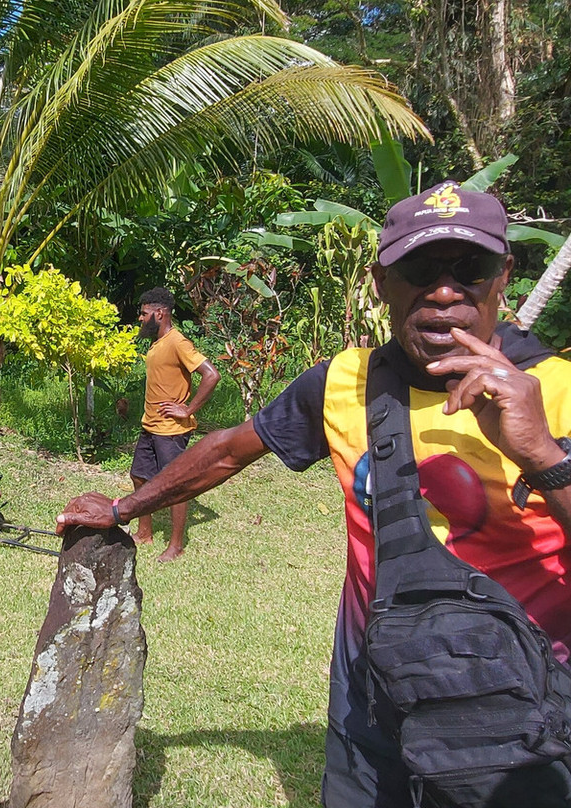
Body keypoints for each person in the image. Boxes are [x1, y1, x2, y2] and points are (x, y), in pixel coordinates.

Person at [58, 182, 571, 805]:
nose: (444, 291)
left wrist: (543, 455)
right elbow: (225, 450)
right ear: (382, 281)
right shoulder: (344, 383)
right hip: (370, 697)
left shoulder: (558, 387)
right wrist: (121, 509)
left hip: (518, 713)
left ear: (504, 276)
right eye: (419, 268)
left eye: (471, 268)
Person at [131, 286, 221, 562]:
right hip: (151, 425)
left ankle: (176, 545)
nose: (141, 319)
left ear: (160, 313)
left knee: (174, 485)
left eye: (145, 314)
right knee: (139, 476)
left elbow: (211, 375)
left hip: (171, 431)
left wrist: (189, 409)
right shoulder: (158, 343)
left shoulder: (177, 342)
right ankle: (144, 532)